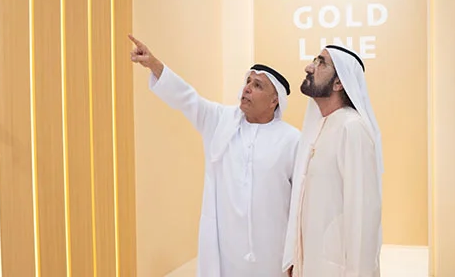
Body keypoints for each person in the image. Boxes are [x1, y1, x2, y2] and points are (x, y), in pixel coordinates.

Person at [129, 34, 300, 277]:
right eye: (248, 82)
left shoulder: (292, 140)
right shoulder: (220, 122)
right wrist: (153, 64)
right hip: (226, 254)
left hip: (273, 253)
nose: (247, 88)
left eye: (257, 85)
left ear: (275, 101)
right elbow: (187, 98)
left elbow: (299, 204)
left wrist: (294, 255)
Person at [282, 45, 383, 277]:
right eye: (314, 60)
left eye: (321, 63)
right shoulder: (320, 127)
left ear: (339, 83)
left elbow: (363, 216)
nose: (309, 67)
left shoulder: (352, 128)